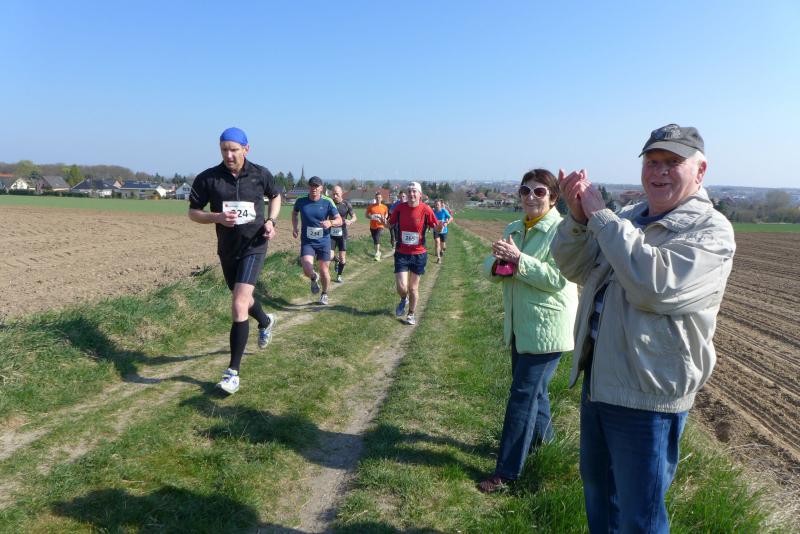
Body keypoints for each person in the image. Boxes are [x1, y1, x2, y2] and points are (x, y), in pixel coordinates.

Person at [551, 124, 736, 533]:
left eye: (673, 162)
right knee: (601, 501)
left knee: (640, 518)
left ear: (700, 170)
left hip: (648, 394)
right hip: (600, 383)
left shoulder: (710, 231)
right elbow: (573, 266)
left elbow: (656, 287)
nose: (660, 171)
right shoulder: (629, 218)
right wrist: (578, 219)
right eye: (652, 162)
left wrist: (600, 218)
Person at [477, 169, 578, 493]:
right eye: (525, 191)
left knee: (522, 396)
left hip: (548, 327)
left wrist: (519, 260)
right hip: (521, 326)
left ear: (553, 198)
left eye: (539, 191)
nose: (530, 197)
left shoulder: (562, 231)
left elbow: (557, 278)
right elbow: (490, 268)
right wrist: (498, 263)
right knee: (536, 394)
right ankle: (546, 449)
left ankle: (507, 473)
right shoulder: (514, 228)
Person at [188, 127, 281, 395]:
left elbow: (276, 196)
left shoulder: (260, 174)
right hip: (228, 249)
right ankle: (265, 321)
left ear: (246, 149)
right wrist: (216, 217)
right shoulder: (208, 178)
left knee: (239, 303)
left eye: (234, 150)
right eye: (224, 150)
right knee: (244, 300)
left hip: (255, 245)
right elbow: (193, 212)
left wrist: (271, 221)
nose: (229, 155)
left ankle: (233, 373)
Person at [388, 182, 444, 325]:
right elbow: (390, 224)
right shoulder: (400, 208)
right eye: (409, 191)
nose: (411, 194)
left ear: (420, 194)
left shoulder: (426, 209)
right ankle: (403, 299)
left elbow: (436, 227)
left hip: (418, 254)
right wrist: (384, 222)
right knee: (402, 287)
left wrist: (439, 227)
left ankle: (411, 314)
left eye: (414, 191)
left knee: (413, 288)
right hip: (401, 252)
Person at [292, 176, 342, 305]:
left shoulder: (327, 201)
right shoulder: (301, 200)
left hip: (323, 241)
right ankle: (314, 277)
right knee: (306, 269)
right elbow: (294, 213)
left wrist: (330, 222)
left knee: (324, 270)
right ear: (308, 187)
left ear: (321, 188)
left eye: (316, 186)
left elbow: (339, 220)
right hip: (307, 241)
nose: (314, 188)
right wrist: (295, 227)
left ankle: (324, 294)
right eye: (311, 186)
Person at [330, 185, 357, 283]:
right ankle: (336, 260)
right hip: (331, 234)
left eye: (337, 194)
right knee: (329, 256)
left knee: (342, 257)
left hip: (342, 234)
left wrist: (350, 221)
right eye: (333, 194)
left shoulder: (346, 204)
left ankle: (339, 275)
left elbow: (354, 217)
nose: (335, 196)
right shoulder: (330, 203)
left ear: (341, 193)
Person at [365, 192, 389, 260]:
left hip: (380, 225)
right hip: (372, 226)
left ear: (381, 198)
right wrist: (371, 217)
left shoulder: (384, 207)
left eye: (379, 197)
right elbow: (366, 215)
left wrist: (385, 218)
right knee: (375, 239)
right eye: (377, 197)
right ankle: (378, 252)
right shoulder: (371, 206)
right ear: (375, 198)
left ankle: (377, 253)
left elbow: (386, 214)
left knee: (377, 237)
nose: (378, 199)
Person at [432, 199, 453, 263]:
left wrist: (447, 223)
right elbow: (430, 219)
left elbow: (451, 218)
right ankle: (438, 258)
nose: (437, 206)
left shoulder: (444, 211)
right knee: (437, 242)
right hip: (436, 229)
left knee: (443, 245)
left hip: (443, 230)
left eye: (438, 204)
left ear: (440, 205)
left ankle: (442, 250)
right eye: (435, 204)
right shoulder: (433, 211)